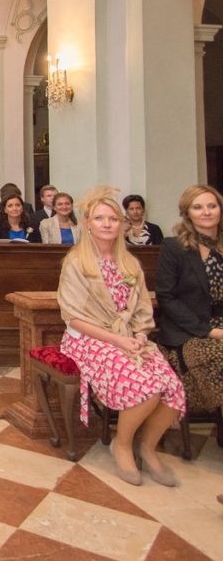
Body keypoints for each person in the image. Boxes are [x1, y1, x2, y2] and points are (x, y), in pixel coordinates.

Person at [58, 186, 184, 487]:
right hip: (87, 339)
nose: (106, 224)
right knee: (146, 386)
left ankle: (148, 447)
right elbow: (72, 316)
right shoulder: (77, 263)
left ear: (122, 223)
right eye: (99, 218)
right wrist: (117, 341)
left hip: (128, 336)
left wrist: (140, 334)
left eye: (113, 218)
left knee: (172, 387)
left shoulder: (130, 264)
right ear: (88, 223)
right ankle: (123, 445)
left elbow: (141, 308)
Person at [155, 185, 223, 414]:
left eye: (212, 206)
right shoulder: (174, 247)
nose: (206, 212)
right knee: (217, 355)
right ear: (187, 213)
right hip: (191, 330)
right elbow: (167, 297)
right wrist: (209, 331)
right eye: (198, 207)